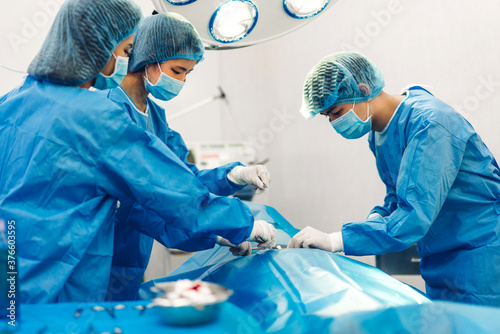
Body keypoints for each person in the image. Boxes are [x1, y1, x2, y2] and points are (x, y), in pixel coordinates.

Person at [0, 0, 275, 304]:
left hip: (9, 275)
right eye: (127, 50)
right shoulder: (95, 117)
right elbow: (169, 191)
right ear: (100, 45)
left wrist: (230, 179)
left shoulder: (10, 104)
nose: (126, 59)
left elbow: (175, 176)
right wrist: (241, 224)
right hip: (61, 283)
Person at [288, 51, 500, 306]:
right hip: (439, 255)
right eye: (328, 117)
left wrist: (336, 240)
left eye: (336, 111)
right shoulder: (379, 134)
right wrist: (374, 220)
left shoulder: (430, 123)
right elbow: (397, 198)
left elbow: (414, 214)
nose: (334, 122)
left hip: (481, 253)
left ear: (362, 89)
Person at [104, 13, 272, 301]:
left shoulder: (155, 116)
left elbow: (182, 179)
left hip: (130, 258)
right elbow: (143, 201)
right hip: (98, 253)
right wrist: (228, 227)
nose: (181, 80)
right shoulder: (110, 111)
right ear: (148, 58)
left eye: (187, 73)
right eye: (178, 70)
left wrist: (233, 175)